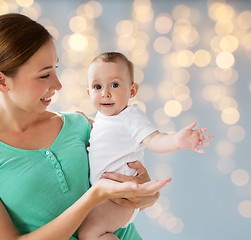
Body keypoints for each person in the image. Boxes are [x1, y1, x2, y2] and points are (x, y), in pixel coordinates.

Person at [0, 14, 171, 240]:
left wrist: (149, 196)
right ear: (0, 81)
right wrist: (93, 196)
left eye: (55, 70)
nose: (58, 84)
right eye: (44, 75)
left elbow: (137, 190)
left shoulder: (79, 125)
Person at [78, 52, 214, 240]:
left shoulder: (131, 117)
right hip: (106, 195)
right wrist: (84, 120)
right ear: (89, 92)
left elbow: (154, 139)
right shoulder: (103, 118)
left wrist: (176, 140)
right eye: (97, 86)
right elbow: (107, 134)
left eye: (114, 85)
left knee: (89, 233)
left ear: (132, 91)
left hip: (121, 198)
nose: (105, 93)